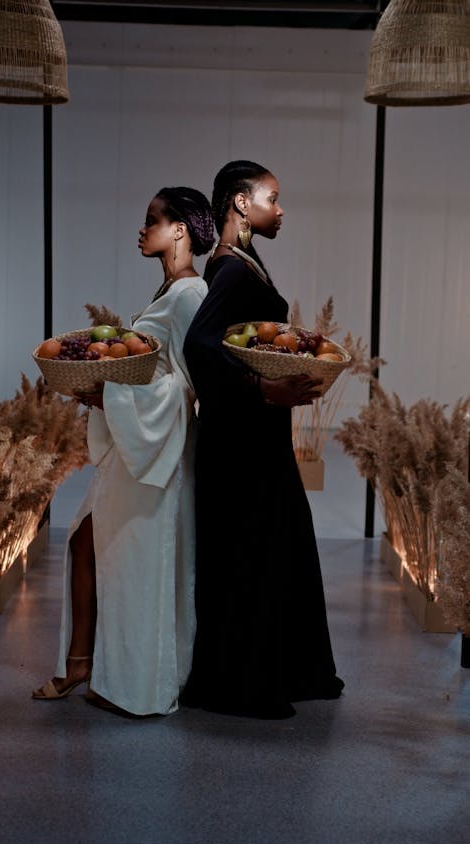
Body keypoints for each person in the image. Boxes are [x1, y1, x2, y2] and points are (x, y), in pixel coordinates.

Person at [33, 186, 215, 716]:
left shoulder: (190, 295)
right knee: (85, 543)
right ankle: (83, 665)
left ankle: (137, 685)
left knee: (137, 562)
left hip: (157, 450)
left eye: (152, 219)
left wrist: (109, 391)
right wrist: (108, 388)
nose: (142, 229)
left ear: (180, 229)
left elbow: (187, 385)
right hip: (132, 442)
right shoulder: (165, 294)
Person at [179, 160, 344, 719]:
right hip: (241, 442)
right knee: (251, 551)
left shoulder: (243, 262)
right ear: (240, 204)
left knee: (277, 547)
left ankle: (288, 671)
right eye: (272, 198)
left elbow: (244, 339)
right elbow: (200, 346)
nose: (281, 209)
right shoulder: (229, 269)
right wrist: (261, 389)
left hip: (253, 439)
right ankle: (240, 685)